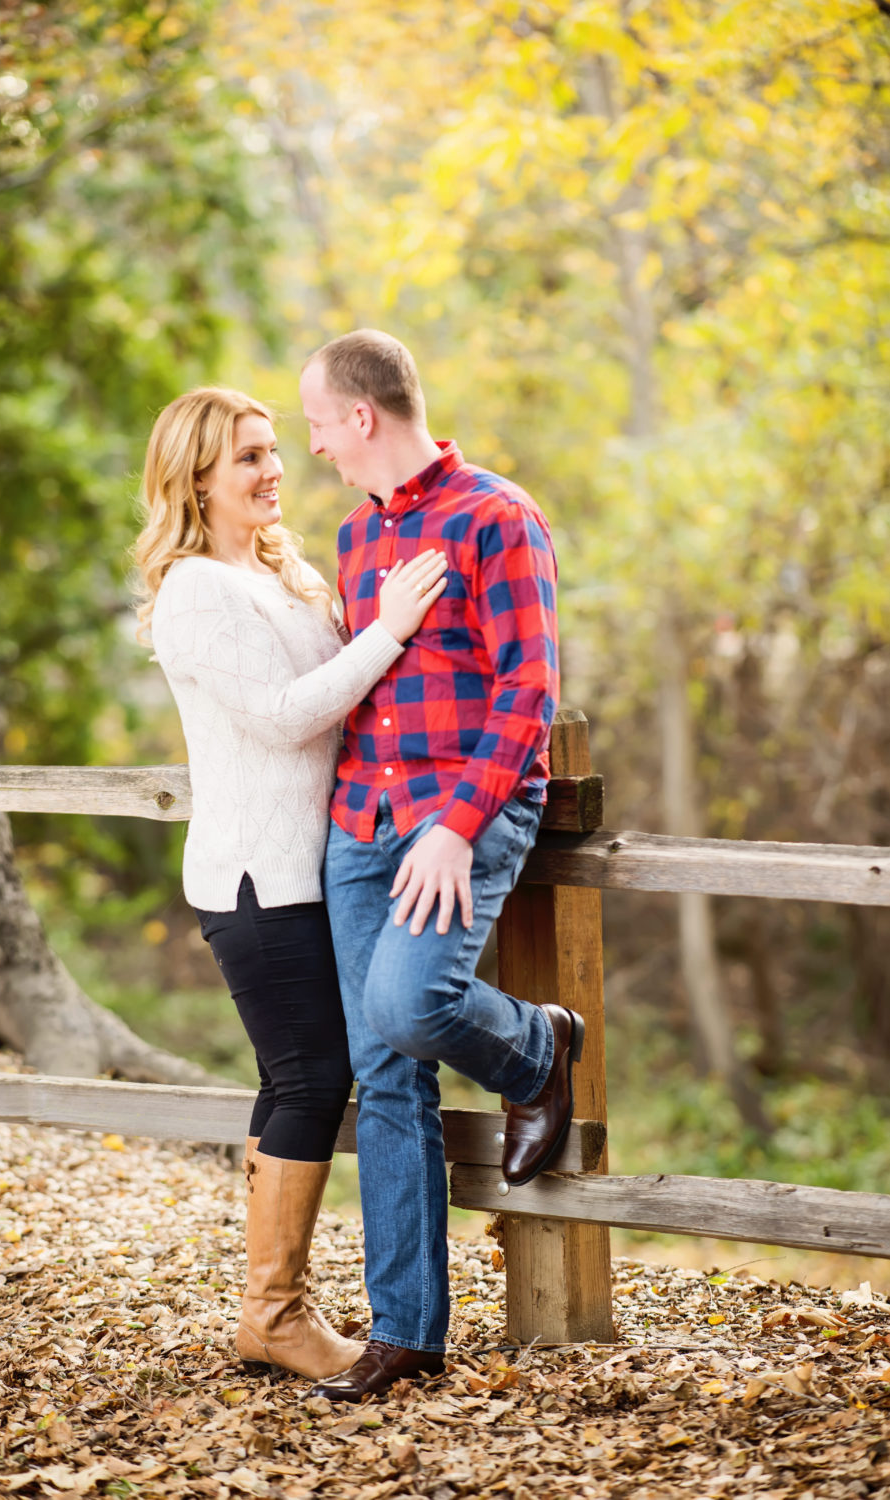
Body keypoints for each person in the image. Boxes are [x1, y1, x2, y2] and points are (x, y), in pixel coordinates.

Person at [133, 385, 447, 1381]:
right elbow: (279, 717)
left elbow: (353, 699)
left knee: (312, 1076)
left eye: (274, 451)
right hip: (251, 878)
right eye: (249, 459)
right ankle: (272, 1315)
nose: (275, 471)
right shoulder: (193, 590)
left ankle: (272, 1314)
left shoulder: (282, 572)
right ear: (196, 479)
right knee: (309, 1078)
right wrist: (387, 629)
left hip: (319, 869)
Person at [298, 331, 584, 1403]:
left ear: (361, 416)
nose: (316, 443)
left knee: (412, 1007)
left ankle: (534, 1048)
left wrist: (457, 822)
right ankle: (407, 1331)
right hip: (361, 824)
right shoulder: (353, 537)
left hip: (456, 816)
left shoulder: (496, 517)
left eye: (320, 422)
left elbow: (527, 694)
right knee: (382, 1071)